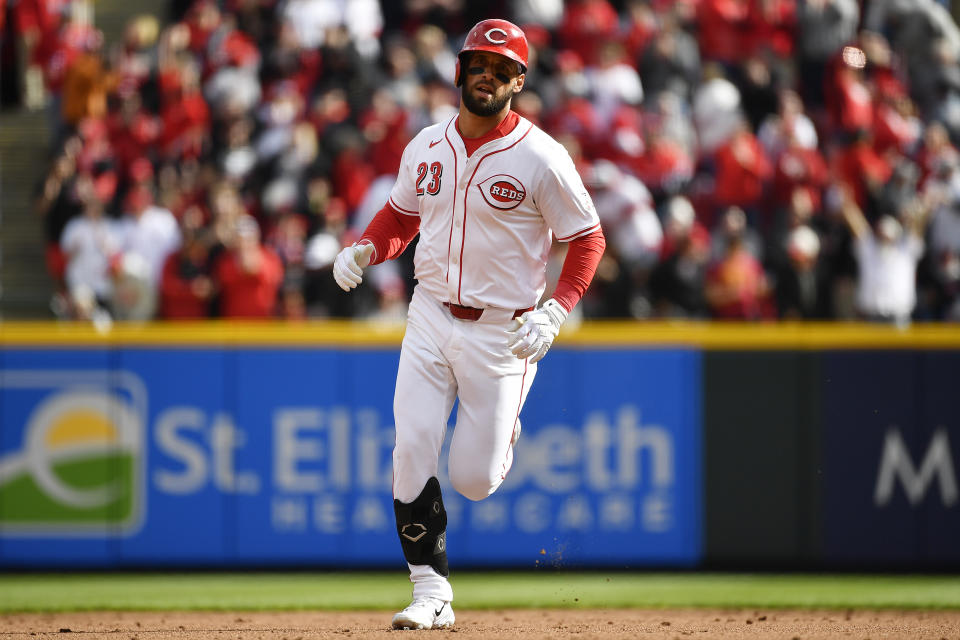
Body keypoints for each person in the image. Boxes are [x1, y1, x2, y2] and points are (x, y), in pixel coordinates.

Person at [332, 19, 605, 631]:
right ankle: (430, 590)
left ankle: (504, 425)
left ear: (518, 83)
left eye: (503, 69)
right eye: (480, 63)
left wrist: (556, 310)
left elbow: (587, 238)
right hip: (428, 312)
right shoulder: (426, 143)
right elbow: (403, 216)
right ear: (460, 70)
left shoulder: (541, 156)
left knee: (474, 479)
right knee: (411, 448)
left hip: (502, 330)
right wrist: (366, 248)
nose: (489, 75)